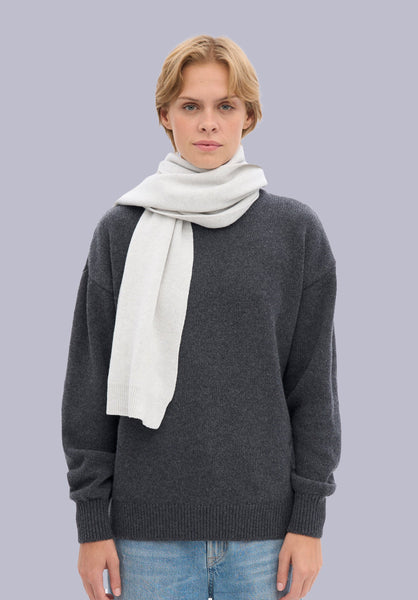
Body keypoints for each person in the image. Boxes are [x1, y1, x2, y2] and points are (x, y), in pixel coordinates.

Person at [61, 34, 341, 600]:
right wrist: (91, 523)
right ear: (165, 116)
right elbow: (88, 385)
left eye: (225, 105)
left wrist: (309, 520)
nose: (208, 122)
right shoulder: (122, 231)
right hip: (145, 538)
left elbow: (313, 388)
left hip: (267, 536)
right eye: (191, 106)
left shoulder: (295, 232)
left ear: (249, 116)